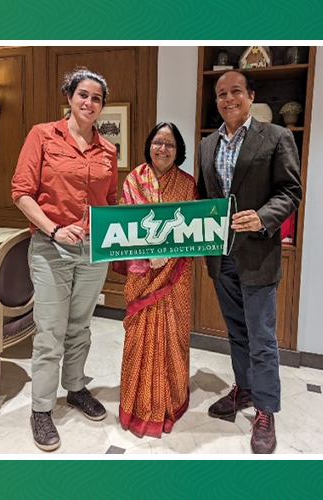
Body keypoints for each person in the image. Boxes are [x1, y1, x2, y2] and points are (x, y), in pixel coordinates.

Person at [11, 68, 117, 452]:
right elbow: (21, 192)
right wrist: (55, 229)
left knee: (80, 326)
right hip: (51, 247)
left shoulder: (108, 150)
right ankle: (41, 408)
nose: (90, 103)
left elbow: (111, 201)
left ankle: (75, 389)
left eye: (97, 98)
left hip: (93, 251)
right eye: (83, 95)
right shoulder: (42, 135)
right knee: (51, 330)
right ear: (69, 97)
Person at [196, 70, 302, 454]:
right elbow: (204, 200)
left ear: (250, 95)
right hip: (220, 258)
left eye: (235, 91)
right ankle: (243, 389)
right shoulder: (207, 145)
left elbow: (291, 191)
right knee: (237, 333)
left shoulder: (276, 137)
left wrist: (263, 217)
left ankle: (265, 410)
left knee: (262, 338)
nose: (228, 99)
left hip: (258, 254)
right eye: (221, 93)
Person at [113, 123, 197, 438]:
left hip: (175, 277)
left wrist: (168, 257)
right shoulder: (134, 180)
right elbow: (124, 228)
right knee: (140, 336)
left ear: (179, 150)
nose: (163, 149)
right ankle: (137, 406)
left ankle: (171, 401)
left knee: (173, 336)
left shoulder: (188, 185)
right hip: (143, 274)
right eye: (158, 142)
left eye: (170, 144)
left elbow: (193, 231)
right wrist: (149, 258)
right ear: (149, 144)